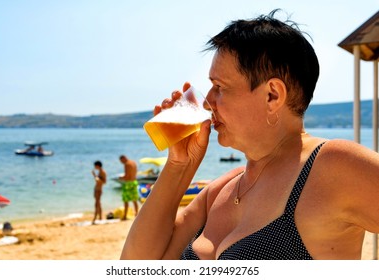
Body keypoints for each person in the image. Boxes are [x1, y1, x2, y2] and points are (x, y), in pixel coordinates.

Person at [121, 11, 379, 260]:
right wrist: (179, 165)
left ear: (272, 95)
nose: (208, 101)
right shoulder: (219, 191)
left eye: (219, 87)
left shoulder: (331, 167)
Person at [118, 155, 139, 220]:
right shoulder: (133, 162)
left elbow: (127, 176)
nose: (122, 163)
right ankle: (137, 214)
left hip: (128, 184)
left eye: (121, 161)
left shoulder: (127, 164)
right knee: (134, 199)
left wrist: (121, 178)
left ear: (123, 158)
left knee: (126, 200)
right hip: (134, 182)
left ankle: (125, 216)